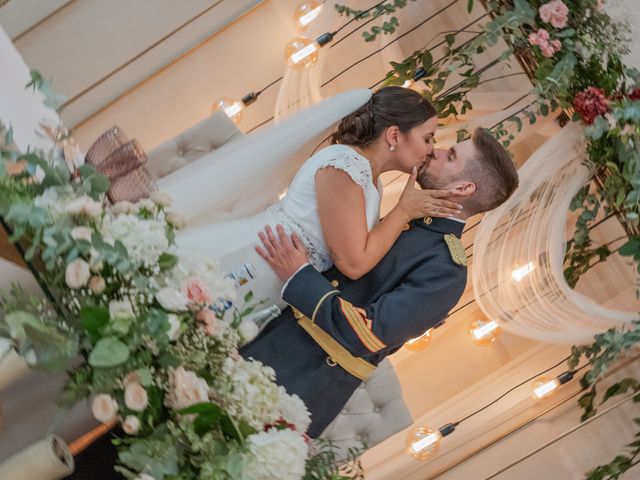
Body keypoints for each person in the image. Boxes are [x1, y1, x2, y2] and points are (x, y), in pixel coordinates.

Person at [241, 127, 520, 437]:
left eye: (450, 156)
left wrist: (301, 275)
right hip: (275, 337)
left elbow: (369, 334)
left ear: (465, 187)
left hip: (304, 377)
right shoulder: (412, 221)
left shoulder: (448, 271)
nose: (436, 151)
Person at [176, 87, 462, 321]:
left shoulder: (373, 182)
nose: (430, 150)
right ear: (395, 135)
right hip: (255, 259)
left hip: (275, 277)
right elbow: (353, 262)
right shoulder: (346, 166)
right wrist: (404, 210)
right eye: (427, 138)